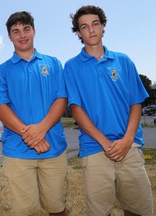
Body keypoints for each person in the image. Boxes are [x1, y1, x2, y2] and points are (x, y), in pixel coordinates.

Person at [64, 5, 153, 216]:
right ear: (78, 33)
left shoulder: (123, 61)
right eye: (84, 27)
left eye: (95, 24)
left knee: (138, 210)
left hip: (129, 147)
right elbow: (76, 109)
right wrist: (105, 143)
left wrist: (127, 139)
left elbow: (136, 104)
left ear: (103, 26)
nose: (91, 30)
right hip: (95, 149)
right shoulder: (71, 66)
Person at [0, 11, 68, 216]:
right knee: (19, 212)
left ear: (34, 31)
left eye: (26, 29)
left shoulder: (53, 63)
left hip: (53, 149)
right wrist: (32, 137)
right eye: (15, 31)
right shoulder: (2, 70)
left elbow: (62, 99)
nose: (22, 35)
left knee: (58, 208)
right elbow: (0, 107)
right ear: (9, 37)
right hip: (17, 153)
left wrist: (41, 130)